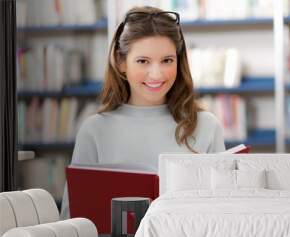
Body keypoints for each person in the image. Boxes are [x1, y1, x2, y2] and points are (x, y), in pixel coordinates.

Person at [60, 6, 225, 219]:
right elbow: (72, 220)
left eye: (167, 60)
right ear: (121, 62)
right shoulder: (94, 130)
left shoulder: (207, 126)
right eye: (143, 61)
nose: (156, 74)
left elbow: (224, 215)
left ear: (178, 60)